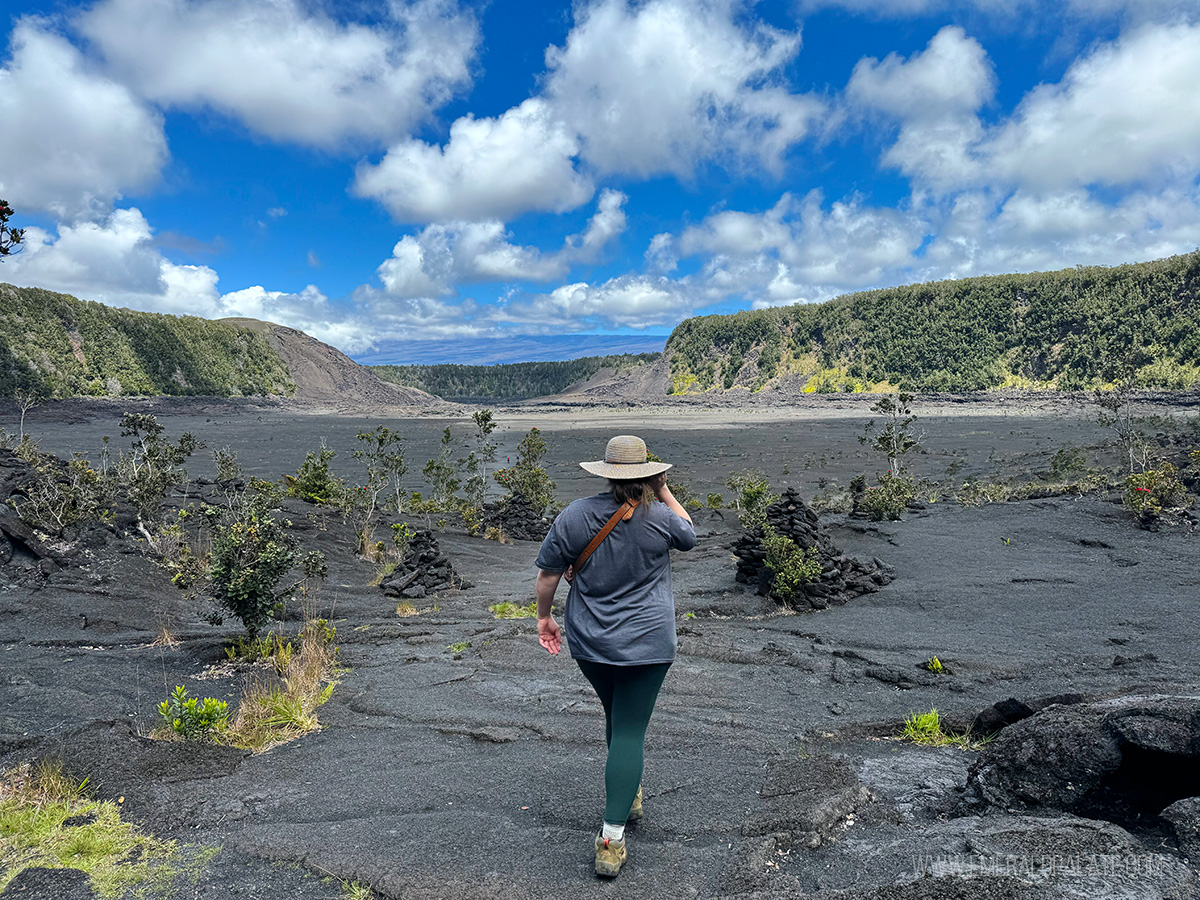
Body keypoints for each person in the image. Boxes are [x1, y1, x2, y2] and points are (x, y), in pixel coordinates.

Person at [534, 434, 695, 878]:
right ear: (648, 474)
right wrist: (662, 490)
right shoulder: (661, 516)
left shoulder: (575, 515)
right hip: (649, 645)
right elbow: (690, 534)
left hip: (593, 643)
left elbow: (548, 576)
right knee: (629, 730)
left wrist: (544, 619)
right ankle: (611, 839)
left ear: (605, 473)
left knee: (615, 716)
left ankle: (628, 795)